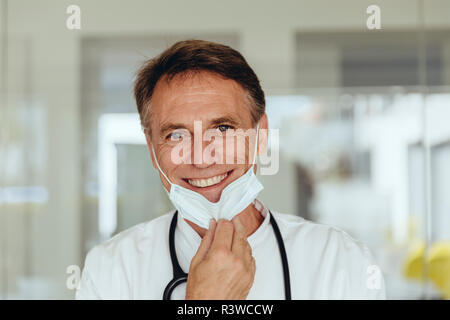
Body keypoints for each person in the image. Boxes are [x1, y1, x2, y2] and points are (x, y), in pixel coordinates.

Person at [75, 40, 385, 300]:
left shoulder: (342, 263)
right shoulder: (112, 271)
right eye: (176, 135)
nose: (202, 158)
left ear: (260, 135)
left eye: (223, 128)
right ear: (152, 149)